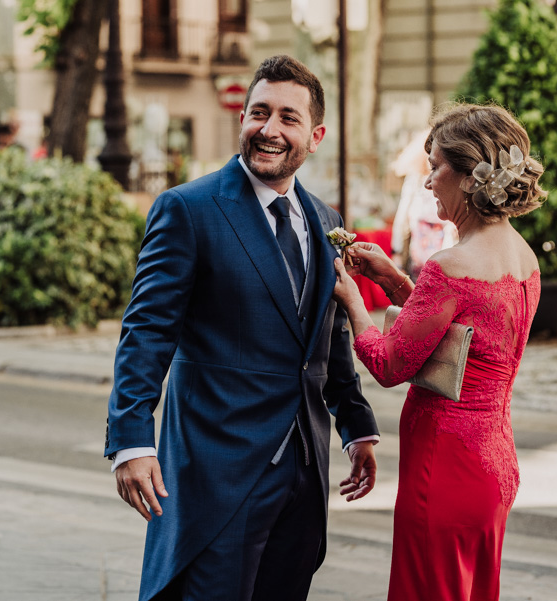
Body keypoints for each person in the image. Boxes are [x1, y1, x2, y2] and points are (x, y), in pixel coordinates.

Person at [104, 55, 380, 601]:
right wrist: (132, 438)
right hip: (218, 473)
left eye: (287, 117)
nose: (269, 129)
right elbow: (147, 330)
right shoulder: (188, 209)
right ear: (242, 120)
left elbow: (327, 339)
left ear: (316, 135)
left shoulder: (328, 222)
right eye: (259, 112)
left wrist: (356, 425)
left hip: (304, 472)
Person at [331, 103, 546, 601]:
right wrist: (392, 280)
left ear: (471, 175)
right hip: (494, 464)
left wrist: (352, 305)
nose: (427, 182)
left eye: (435, 167)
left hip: (444, 468)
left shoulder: (450, 265)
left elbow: (389, 364)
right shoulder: (523, 256)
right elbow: (467, 331)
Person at [390, 129, 458, 281]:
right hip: (417, 260)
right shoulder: (415, 182)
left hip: (445, 262)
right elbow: (402, 218)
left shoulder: (450, 183)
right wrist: (397, 252)